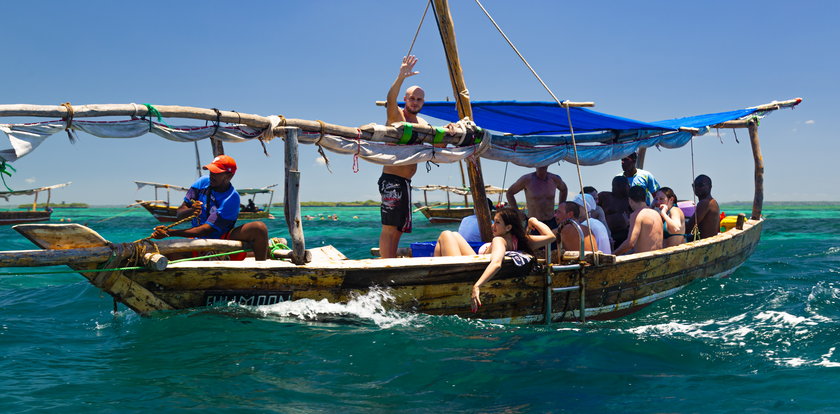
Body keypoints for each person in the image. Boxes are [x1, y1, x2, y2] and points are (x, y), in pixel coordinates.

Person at [433, 207, 555, 312]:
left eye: (497, 223)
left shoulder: (499, 240)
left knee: (446, 234)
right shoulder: (521, 240)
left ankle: (434, 279)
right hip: (475, 259)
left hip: (464, 270)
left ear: (508, 227)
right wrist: (534, 220)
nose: (493, 226)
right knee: (454, 235)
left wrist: (477, 286)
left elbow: (496, 263)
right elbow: (551, 236)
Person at [151, 155, 269, 260]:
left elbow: (207, 230)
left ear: (229, 176)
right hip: (196, 238)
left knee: (259, 228)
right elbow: (179, 213)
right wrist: (191, 210)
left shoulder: (231, 198)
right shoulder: (202, 182)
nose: (212, 175)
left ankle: (261, 269)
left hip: (223, 238)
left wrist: (169, 232)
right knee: (162, 254)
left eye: (217, 173)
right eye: (211, 172)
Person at [378, 55, 429, 259]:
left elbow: (440, 142)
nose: (415, 102)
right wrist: (401, 77)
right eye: (411, 98)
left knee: (399, 227)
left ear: (423, 102)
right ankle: (385, 263)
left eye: (419, 99)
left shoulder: (423, 124)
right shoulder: (397, 117)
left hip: (406, 182)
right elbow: (390, 99)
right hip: (392, 180)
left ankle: (389, 261)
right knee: (390, 226)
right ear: (405, 99)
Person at [614, 186, 664, 255]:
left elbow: (630, 243)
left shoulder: (636, 215)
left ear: (630, 200)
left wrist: (613, 254)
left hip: (645, 260)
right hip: (659, 257)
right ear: (645, 198)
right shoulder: (656, 213)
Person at [686, 174, 720, 239]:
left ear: (710, 187)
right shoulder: (714, 202)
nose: (697, 187)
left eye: (701, 185)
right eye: (694, 185)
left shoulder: (705, 203)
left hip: (704, 243)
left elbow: (689, 228)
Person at [603, 176, 632, 249]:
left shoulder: (630, 200)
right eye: (627, 185)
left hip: (624, 234)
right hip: (607, 234)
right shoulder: (605, 197)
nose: (629, 186)